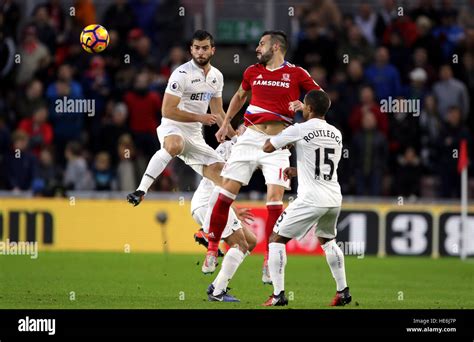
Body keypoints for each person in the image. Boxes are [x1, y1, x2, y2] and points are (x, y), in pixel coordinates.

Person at [203, 30, 321, 283]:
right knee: (225, 192)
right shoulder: (252, 71)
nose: (257, 48)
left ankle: (269, 259)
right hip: (249, 139)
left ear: (276, 47)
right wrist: (225, 124)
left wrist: (304, 106)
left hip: (277, 143)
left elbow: (322, 100)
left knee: (275, 200)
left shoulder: (298, 74)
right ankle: (212, 248)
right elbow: (239, 97)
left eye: (261, 44)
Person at [261, 89, 351, 307]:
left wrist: (285, 137)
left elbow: (268, 147)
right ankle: (343, 292)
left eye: (304, 106)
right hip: (333, 197)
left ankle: (278, 295)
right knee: (328, 240)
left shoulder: (299, 129)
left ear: (308, 108)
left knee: (276, 239)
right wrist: (297, 170)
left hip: (311, 198)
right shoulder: (336, 133)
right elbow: (322, 166)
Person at [126, 30, 234, 206]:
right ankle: (141, 190)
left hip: (195, 136)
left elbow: (218, 112)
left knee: (226, 180)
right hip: (173, 127)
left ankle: (211, 220)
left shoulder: (217, 77)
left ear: (212, 50)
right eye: (197, 48)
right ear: (191, 50)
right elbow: (167, 111)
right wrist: (200, 117)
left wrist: (236, 137)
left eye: (205, 48)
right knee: (174, 144)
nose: (200, 52)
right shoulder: (181, 74)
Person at [191, 125, 258, 301]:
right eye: (245, 129)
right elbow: (219, 182)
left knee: (250, 241)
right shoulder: (229, 150)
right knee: (240, 245)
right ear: (236, 133)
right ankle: (218, 291)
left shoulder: (244, 151)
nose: (248, 132)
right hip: (208, 204)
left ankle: (216, 285)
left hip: (216, 203)